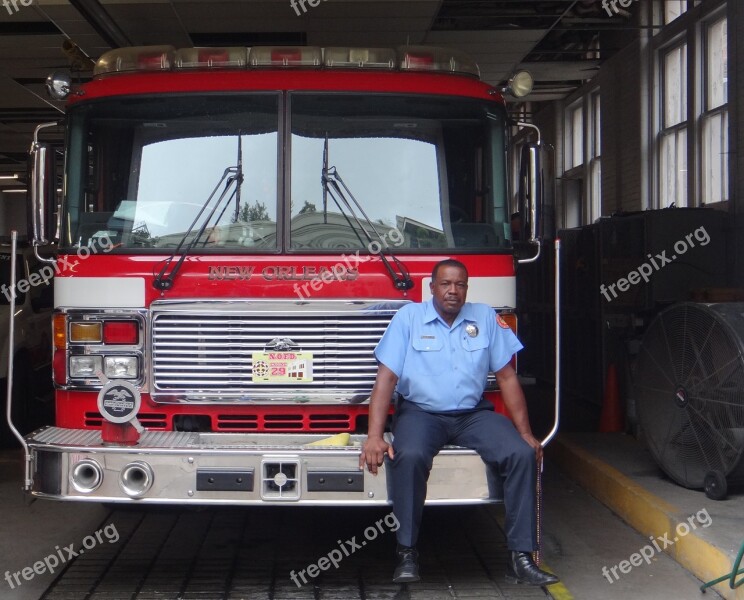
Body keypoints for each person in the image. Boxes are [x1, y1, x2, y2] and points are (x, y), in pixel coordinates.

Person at [359, 258, 559, 587]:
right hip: (422, 414)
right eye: (446, 284)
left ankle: (520, 559)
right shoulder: (408, 318)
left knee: (521, 454)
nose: (453, 291)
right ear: (432, 288)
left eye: (460, 284)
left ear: (467, 288)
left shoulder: (485, 318)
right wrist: (374, 437)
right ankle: (406, 551)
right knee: (408, 456)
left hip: (472, 415)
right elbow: (386, 379)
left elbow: (508, 378)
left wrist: (525, 434)